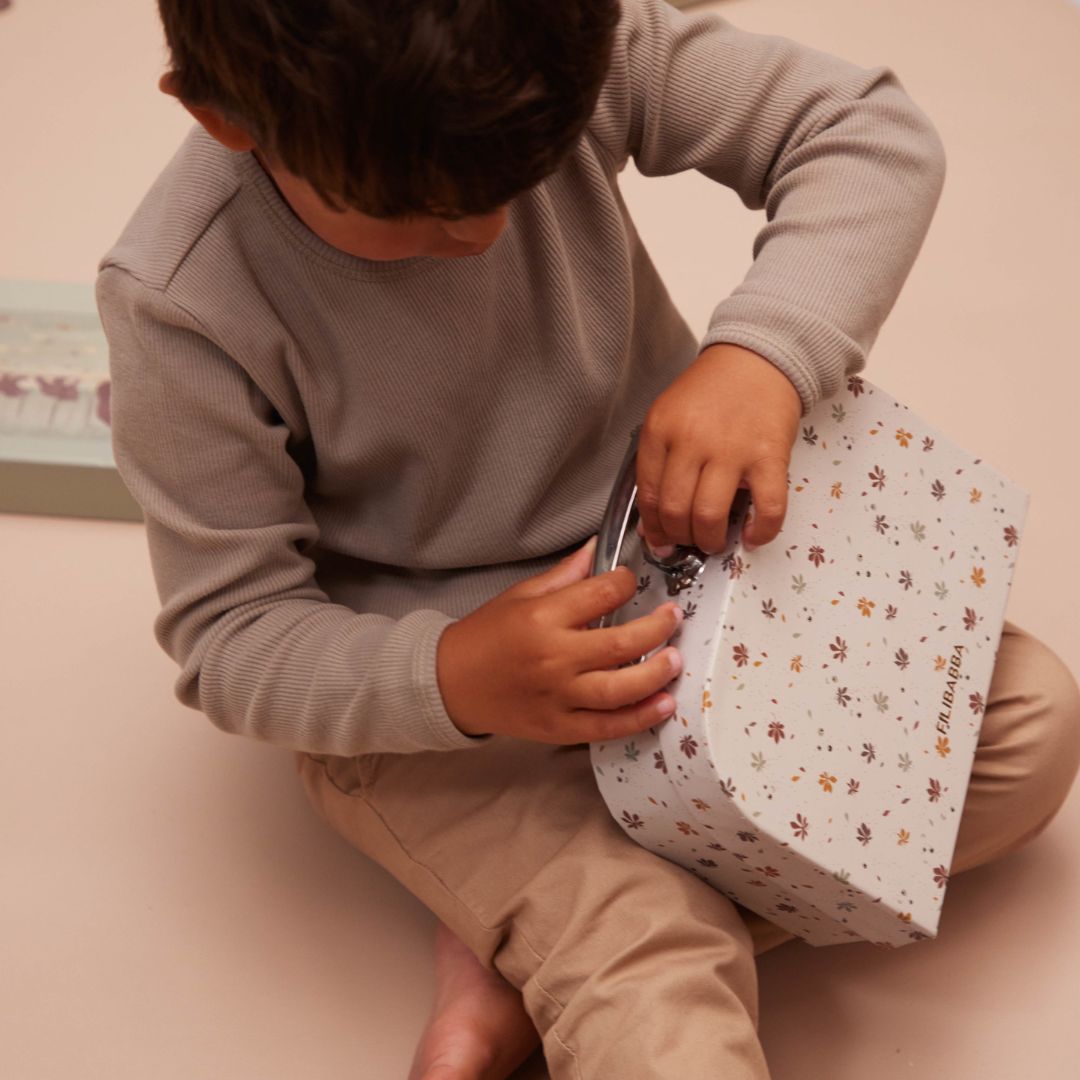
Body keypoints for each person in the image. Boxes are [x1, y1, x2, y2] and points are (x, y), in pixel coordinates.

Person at [96, 1, 1080, 1077]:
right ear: (220, 116)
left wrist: (762, 355)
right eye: (417, 214)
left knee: (1031, 730)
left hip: (691, 585)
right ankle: (600, 926)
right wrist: (456, 675)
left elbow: (865, 130)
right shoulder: (179, 301)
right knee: (660, 1011)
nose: (482, 233)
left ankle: (531, 946)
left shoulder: (545, 38)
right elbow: (232, 638)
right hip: (445, 720)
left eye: (519, 181)